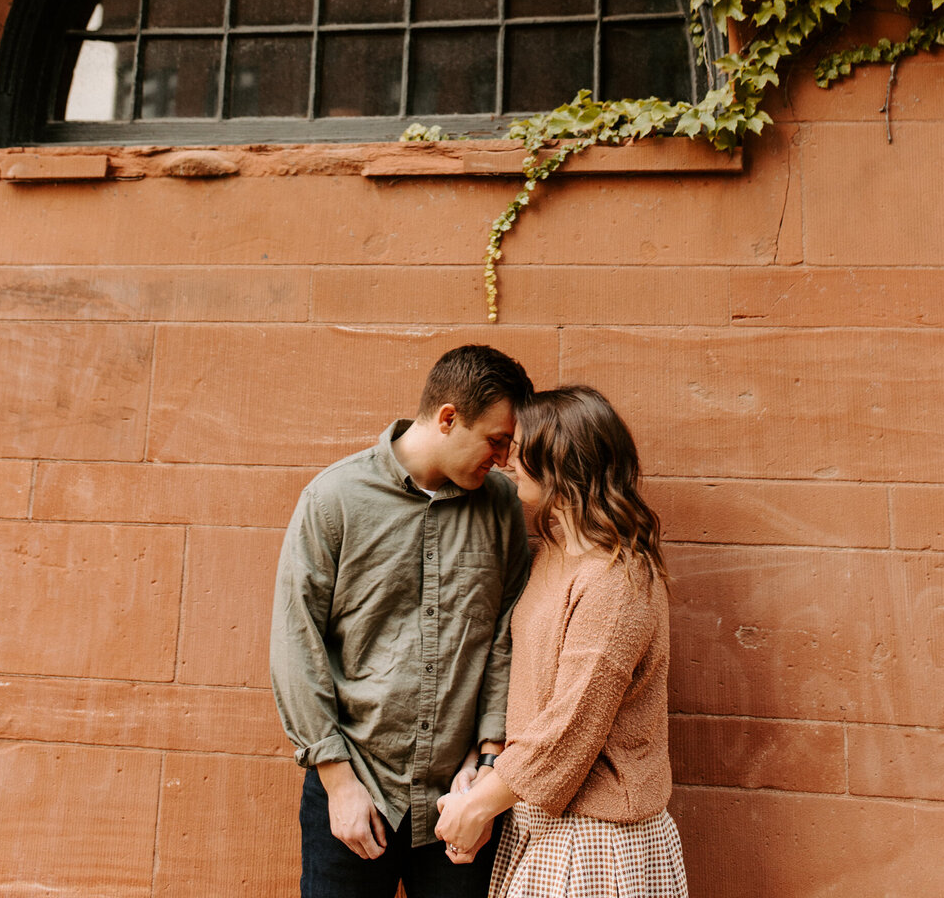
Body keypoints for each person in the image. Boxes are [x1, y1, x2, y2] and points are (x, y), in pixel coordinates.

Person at [270, 343, 534, 898]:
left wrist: (488, 765)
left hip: (457, 799)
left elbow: (504, 641)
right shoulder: (334, 499)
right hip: (355, 791)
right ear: (447, 418)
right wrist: (337, 782)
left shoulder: (503, 506)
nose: (504, 460)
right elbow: (297, 644)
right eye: (496, 441)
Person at [434, 386, 688, 898]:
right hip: (541, 823)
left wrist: (480, 805)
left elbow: (573, 724)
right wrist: (484, 782)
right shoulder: (554, 554)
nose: (504, 458)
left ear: (561, 461)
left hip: (597, 843)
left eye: (519, 446)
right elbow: (533, 695)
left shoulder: (617, 578)